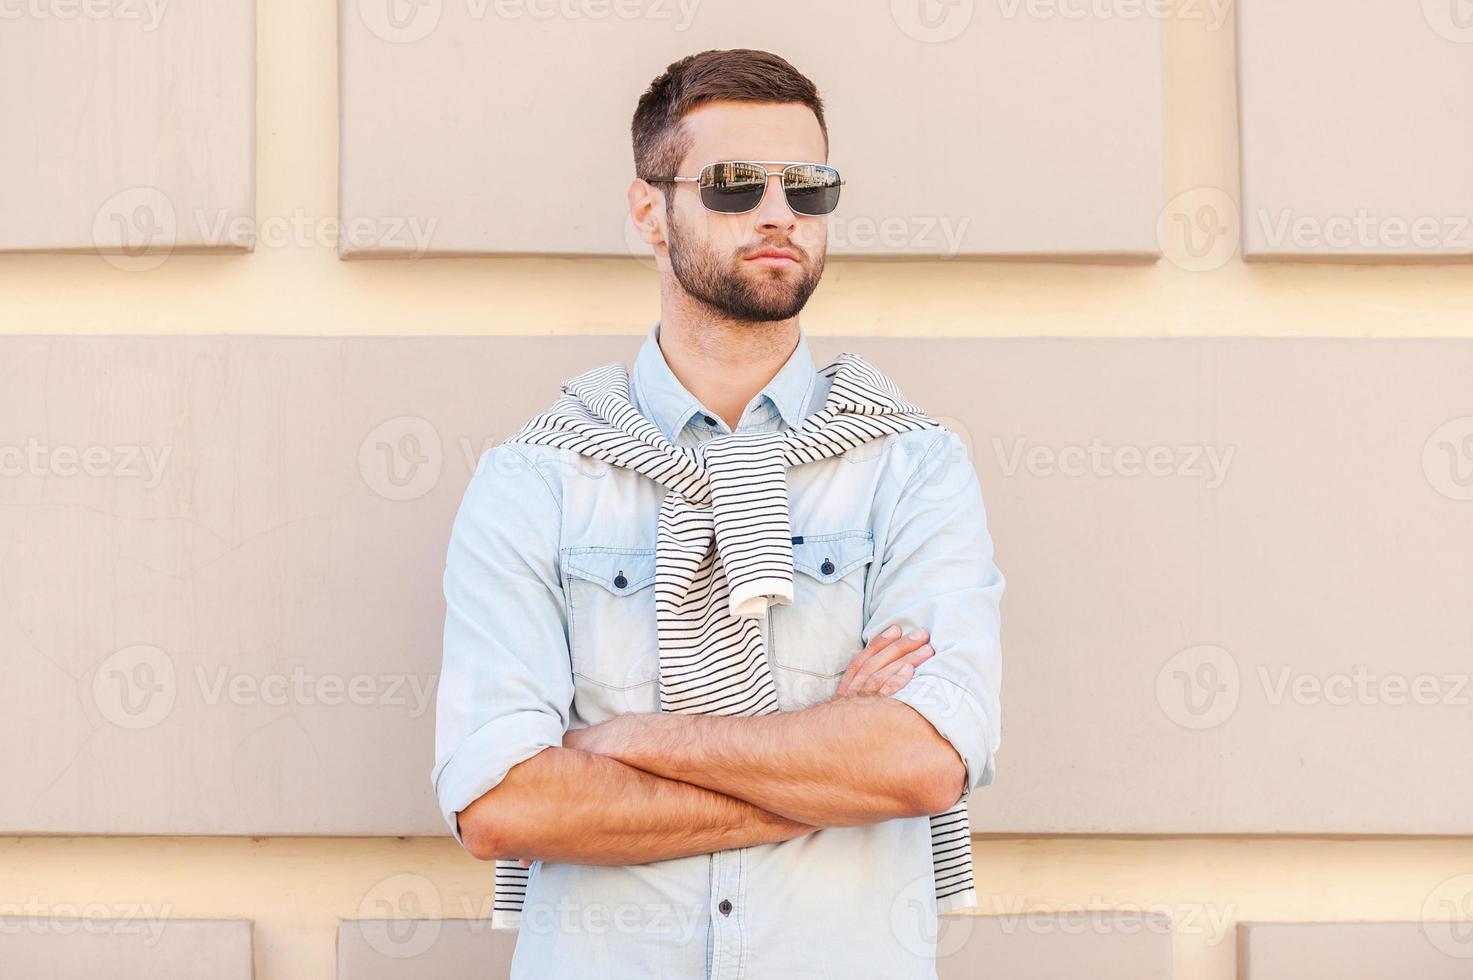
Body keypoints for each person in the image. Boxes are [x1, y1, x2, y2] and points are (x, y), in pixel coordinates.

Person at [431, 47, 1004, 979]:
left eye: (808, 186)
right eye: (735, 184)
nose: (779, 213)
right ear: (648, 211)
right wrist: (827, 767)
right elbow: (505, 804)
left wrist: (637, 744)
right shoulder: (539, 475)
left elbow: (925, 763)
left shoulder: (909, 464)